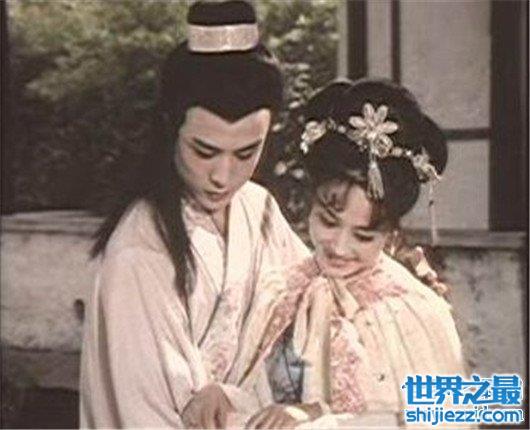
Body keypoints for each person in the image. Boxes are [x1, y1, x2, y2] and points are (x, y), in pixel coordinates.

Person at [79, 1, 311, 428]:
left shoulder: (258, 208)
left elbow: (313, 315)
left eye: (246, 153)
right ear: (171, 128)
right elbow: (144, 416)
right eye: (204, 151)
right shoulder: (138, 252)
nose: (223, 176)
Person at [241, 79, 466, 427]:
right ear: (309, 205)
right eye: (328, 221)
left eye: (363, 235)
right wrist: (228, 397)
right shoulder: (282, 291)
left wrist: (318, 417)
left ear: (390, 235)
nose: (340, 247)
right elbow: (254, 393)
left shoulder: (414, 311)